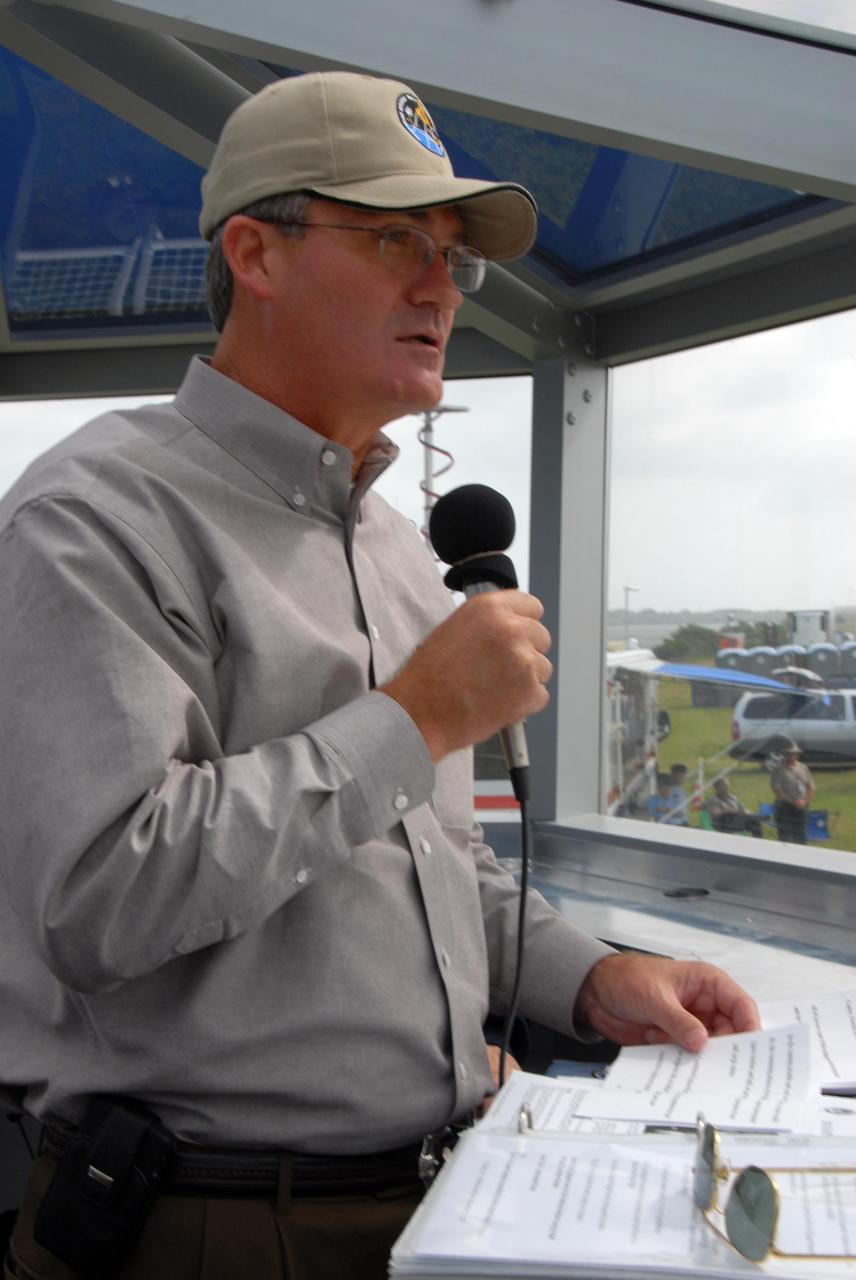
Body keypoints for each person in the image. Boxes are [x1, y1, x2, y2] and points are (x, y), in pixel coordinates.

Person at [0, 71, 760, 1280]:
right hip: (210, 1224)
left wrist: (598, 977)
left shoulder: (403, 553)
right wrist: (412, 718)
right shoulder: (93, 517)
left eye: (452, 254)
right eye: (395, 236)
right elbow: (103, 895)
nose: (437, 286)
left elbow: (431, 868)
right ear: (254, 252)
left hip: (450, 1196)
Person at [770, 739, 816, 844]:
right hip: (785, 807)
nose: (792, 756)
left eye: (794, 754)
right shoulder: (778, 769)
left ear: (797, 754)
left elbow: (811, 787)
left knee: (801, 836)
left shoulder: (803, 768)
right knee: (786, 838)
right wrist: (792, 802)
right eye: (789, 754)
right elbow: (777, 790)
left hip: (802, 807)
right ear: (785, 754)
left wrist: (804, 800)